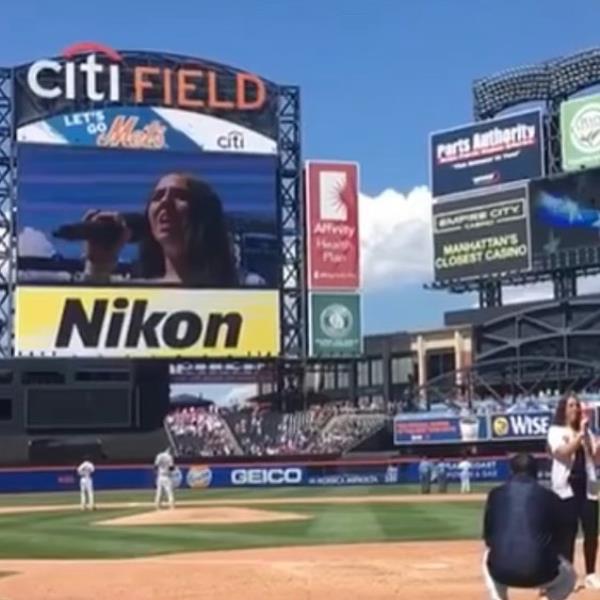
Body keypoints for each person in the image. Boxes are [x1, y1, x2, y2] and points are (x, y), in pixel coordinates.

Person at [83, 173, 238, 287]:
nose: (165, 202)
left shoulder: (245, 292)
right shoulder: (134, 292)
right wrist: (98, 265)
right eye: (157, 197)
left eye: (180, 196)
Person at [483, 453, 576, 600]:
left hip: (501, 572)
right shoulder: (550, 496)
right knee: (570, 578)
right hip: (542, 572)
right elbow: (562, 539)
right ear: (536, 472)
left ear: (511, 471)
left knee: (488, 556)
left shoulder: (495, 494)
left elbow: (488, 538)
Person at [547, 393, 600, 589]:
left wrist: (595, 444)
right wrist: (580, 436)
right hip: (566, 488)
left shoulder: (587, 432)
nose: (575, 409)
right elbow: (563, 452)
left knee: (591, 531)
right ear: (563, 409)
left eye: (577, 406)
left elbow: (595, 459)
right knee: (566, 533)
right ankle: (567, 576)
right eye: (571, 406)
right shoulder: (556, 430)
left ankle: (591, 573)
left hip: (587, 486)